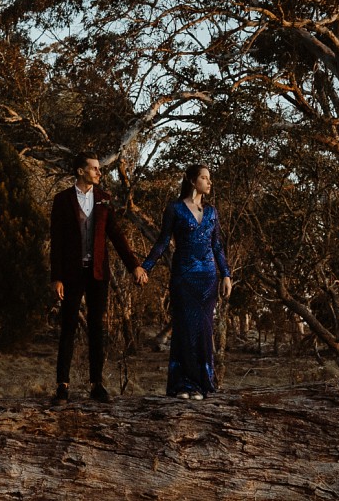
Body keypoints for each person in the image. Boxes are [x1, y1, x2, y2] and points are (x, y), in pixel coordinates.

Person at [49, 152, 147, 403]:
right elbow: (57, 241)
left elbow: (116, 235)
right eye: (94, 169)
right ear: (81, 171)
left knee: (97, 328)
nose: (98, 173)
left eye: (99, 169)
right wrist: (56, 277)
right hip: (71, 273)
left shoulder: (104, 199)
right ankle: (62, 385)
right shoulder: (62, 200)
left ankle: (97, 384)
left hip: (98, 273)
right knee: (68, 327)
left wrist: (134, 266)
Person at [141, 164, 232, 399]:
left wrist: (226, 275)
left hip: (208, 279)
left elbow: (218, 246)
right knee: (184, 330)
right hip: (183, 277)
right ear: (192, 181)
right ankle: (183, 385)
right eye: (204, 178)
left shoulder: (211, 212)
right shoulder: (175, 208)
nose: (209, 182)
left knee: (203, 330)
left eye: (209, 178)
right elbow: (162, 242)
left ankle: (202, 384)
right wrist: (145, 266)